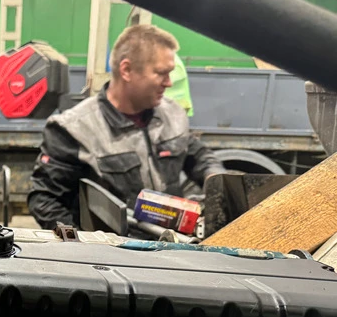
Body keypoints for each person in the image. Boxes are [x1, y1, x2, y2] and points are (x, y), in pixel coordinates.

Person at [27, 24, 224, 230]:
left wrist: (216, 179)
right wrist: (82, 242)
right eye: (161, 73)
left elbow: (198, 155)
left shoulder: (173, 114)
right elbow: (44, 200)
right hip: (114, 249)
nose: (169, 83)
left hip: (172, 244)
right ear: (127, 70)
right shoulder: (74, 129)